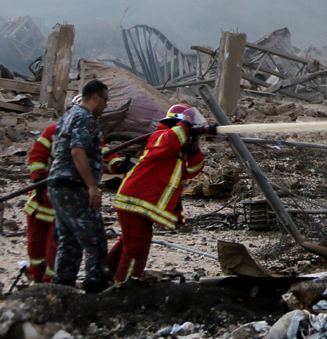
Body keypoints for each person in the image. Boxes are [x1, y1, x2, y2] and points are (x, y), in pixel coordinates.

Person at [24, 95, 129, 283]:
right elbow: (37, 157)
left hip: (63, 205)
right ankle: (36, 280)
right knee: (35, 246)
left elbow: (103, 156)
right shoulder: (52, 131)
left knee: (55, 248)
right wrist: (38, 179)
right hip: (42, 202)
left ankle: (52, 285)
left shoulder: (89, 133)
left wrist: (119, 165)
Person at [107, 104, 207, 284]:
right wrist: (186, 124)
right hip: (134, 201)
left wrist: (193, 150)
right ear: (178, 124)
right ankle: (124, 288)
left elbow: (193, 170)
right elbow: (170, 141)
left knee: (127, 244)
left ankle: (103, 275)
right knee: (136, 250)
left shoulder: (178, 148)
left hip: (141, 204)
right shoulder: (160, 137)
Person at [46, 79, 110, 292]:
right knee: (95, 241)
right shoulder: (86, 119)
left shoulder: (68, 116)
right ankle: (94, 290)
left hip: (57, 184)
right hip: (75, 186)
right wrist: (91, 186)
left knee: (69, 241)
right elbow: (77, 150)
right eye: (105, 100)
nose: (106, 105)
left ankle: (62, 288)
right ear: (95, 97)